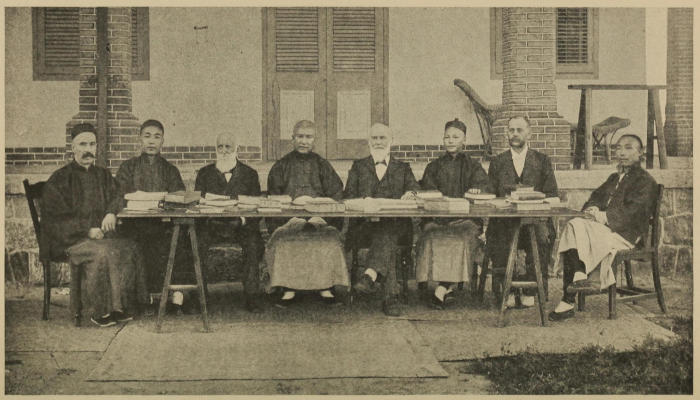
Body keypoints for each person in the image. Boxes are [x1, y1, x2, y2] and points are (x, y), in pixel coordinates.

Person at [40, 123, 149, 327]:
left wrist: (111, 212)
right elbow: (55, 219)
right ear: (73, 148)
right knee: (103, 253)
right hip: (69, 240)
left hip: (99, 237)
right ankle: (101, 311)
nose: (88, 149)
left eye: (92, 144)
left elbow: (118, 195)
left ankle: (123, 307)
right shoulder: (59, 179)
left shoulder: (103, 175)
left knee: (129, 247)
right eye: (82, 144)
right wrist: (87, 230)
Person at [549, 134, 657, 321]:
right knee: (575, 224)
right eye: (618, 148)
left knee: (576, 229)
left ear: (641, 153)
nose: (621, 152)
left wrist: (602, 217)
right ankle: (579, 274)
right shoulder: (614, 178)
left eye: (628, 148)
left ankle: (569, 298)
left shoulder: (645, 181)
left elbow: (632, 213)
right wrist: (592, 208)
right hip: (605, 229)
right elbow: (596, 197)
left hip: (626, 234)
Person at [266, 120, 350, 306]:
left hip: (320, 220)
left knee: (329, 240)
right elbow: (274, 198)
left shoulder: (323, 165)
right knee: (285, 241)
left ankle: (325, 287)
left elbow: (336, 194)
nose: (304, 141)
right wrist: (289, 215)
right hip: (289, 220)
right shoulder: (281, 166)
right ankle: (288, 288)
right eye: (300, 136)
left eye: (308, 137)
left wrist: (321, 215)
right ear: (292, 139)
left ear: (314, 140)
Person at [344, 122, 420, 316]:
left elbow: (415, 189)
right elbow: (348, 196)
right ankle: (390, 297)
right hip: (364, 228)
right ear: (369, 141)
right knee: (387, 238)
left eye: (382, 138)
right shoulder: (358, 167)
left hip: (397, 228)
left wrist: (410, 194)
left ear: (391, 141)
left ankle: (370, 274)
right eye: (374, 138)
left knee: (387, 232)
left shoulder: (403, 168)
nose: (378, 142)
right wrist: (364, 203)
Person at [116, 119, 191, 311]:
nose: (151, 141)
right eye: (147, 136)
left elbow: (179, 198)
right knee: (132, 243)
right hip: (134, 226)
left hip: (163, 225)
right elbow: (119, 196)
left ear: (162, 141)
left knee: (179, 239)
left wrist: (166, 203)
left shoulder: (170, 170)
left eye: (157, 137)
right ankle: (139, 298)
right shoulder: (128, 167)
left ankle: (176, 296)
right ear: (140, 139)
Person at [415, 118, 489, 309]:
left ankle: (442, 288)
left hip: (465, 221)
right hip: (437, 220)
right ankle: (445, 288)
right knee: (430, 236)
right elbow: (427, 191)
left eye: (455, 137)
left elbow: (483, 187)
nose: (450, 141)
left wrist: (476, 191)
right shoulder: (433, 166)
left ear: (464, 140)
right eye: (447, 137)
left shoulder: (473, 166)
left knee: (461, 240)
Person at [486, 116, 559, 308]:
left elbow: (552, 194)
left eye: (519, 130)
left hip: (534, 222)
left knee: (542, 236)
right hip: (505, 224)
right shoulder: (497, 162)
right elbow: (490, 195)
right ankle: (506, 289)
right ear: (507, 134)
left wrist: (535, 200)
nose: (515, 134)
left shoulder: (542, 160)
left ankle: (531, 289)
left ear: (529, 133)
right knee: (498, 237)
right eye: (511, 130)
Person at [194, 132, 265, 313]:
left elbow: (256, 206)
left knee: (253, 243)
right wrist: (209, 218)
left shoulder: (250, 174)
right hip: (212, 225)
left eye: (228, 147)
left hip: (240, 226)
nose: (224, 151)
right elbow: (197, 204)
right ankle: (202, 297)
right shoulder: (204, 174)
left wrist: (241, 220)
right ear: (215, 149)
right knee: (195, 243)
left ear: (236, 149)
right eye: (220, 147)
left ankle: (252, 295)